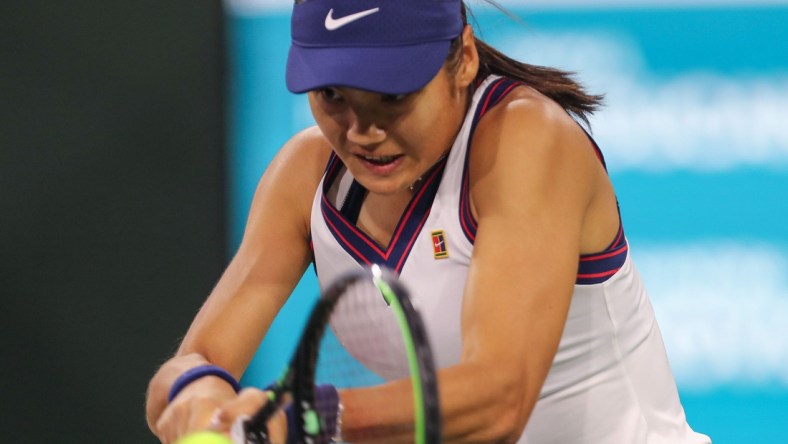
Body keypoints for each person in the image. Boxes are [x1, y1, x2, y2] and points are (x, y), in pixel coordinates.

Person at [146, 0, 711, 442]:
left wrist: (306, 419)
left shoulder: (528, 139)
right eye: (332, 95)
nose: (362, 131)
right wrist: (197, 394)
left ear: (463, 57)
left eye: (392, 95)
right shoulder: (303, 175)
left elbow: (498, 401)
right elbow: (190, 366)